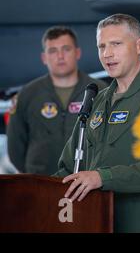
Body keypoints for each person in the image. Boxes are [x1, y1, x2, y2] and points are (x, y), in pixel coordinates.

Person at [55, 14, 140, 233]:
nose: (107, 54)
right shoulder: (97, 101)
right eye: (101, 46)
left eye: (116, 44)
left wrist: (103, 177)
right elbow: (67, 168)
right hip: (95, 221)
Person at [7, 26, 106, 175]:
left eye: (66, 49)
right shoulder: (27, 94)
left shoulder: (100, 90)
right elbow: (15, 146)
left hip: (86, 184)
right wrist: (33, 172)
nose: (60, 56)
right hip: (40, 183)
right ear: (44, 58)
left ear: (77, 53)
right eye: (52, 51)